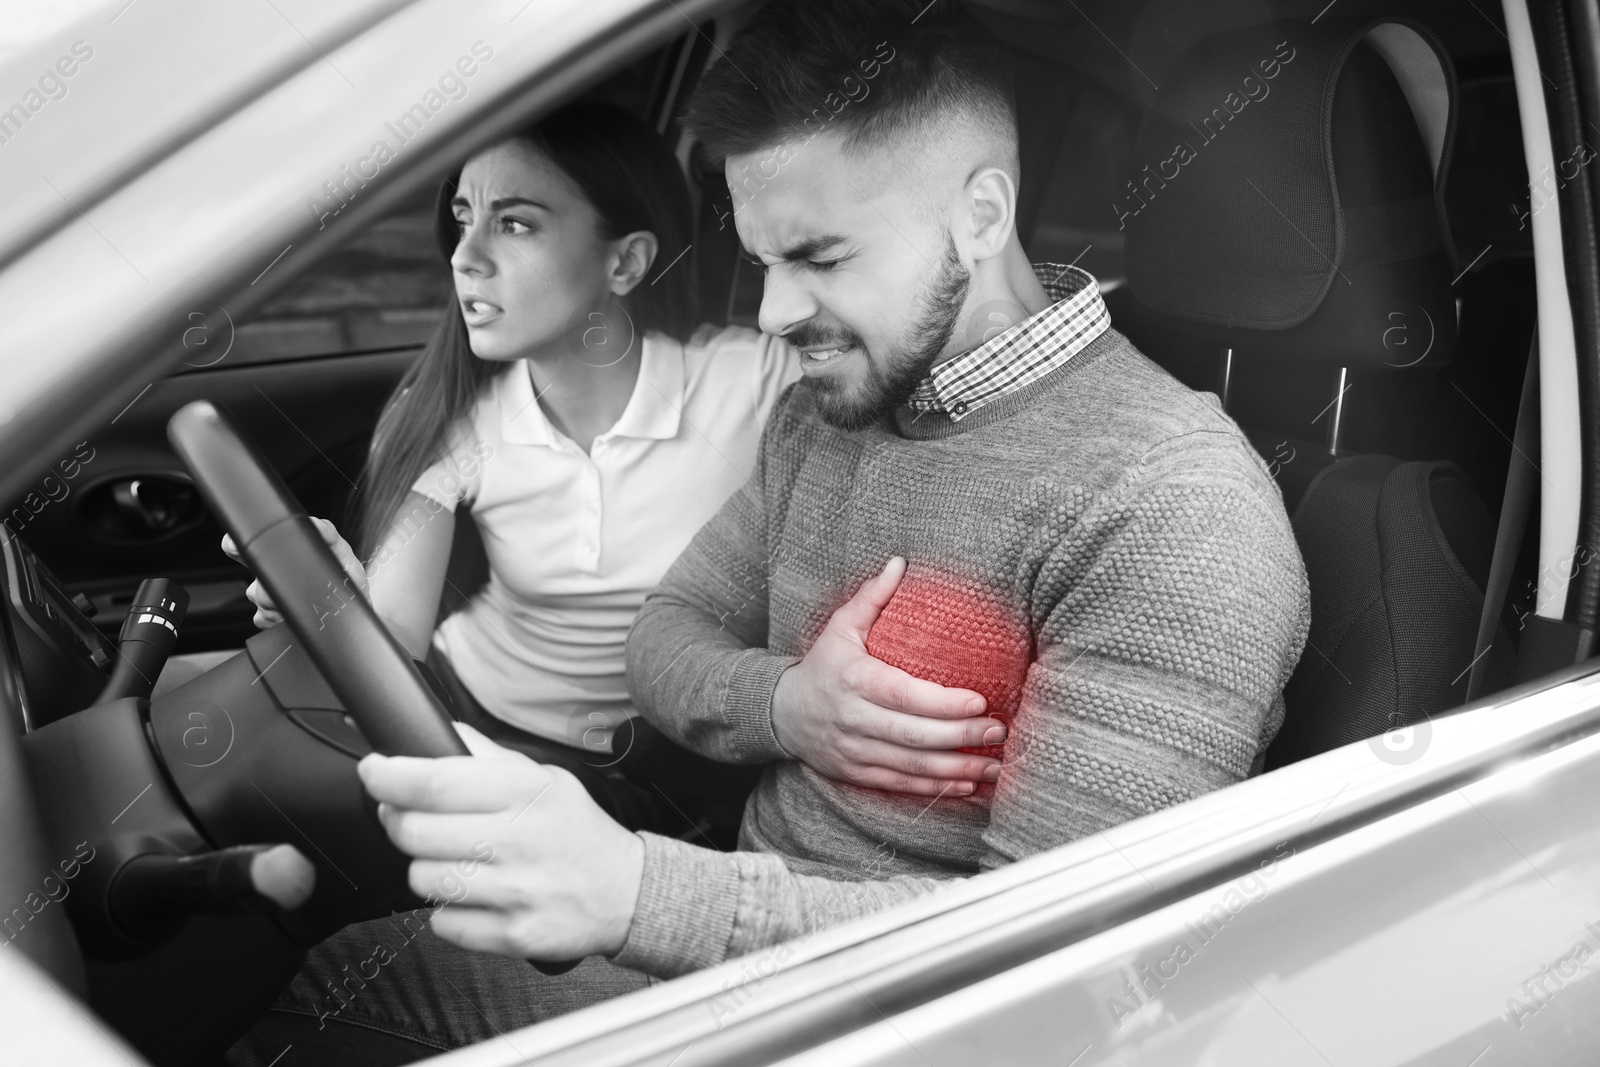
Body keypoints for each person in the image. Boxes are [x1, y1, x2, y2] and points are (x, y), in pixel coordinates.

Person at [229, 2, 1309, 1062]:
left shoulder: (1171, 506)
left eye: (820, 258)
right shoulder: (826, 413)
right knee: (315, 964)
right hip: (728, 937)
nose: (771, 314)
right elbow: (663, 641)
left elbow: (1054, 973)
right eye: (760, 261)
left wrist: (637, 891)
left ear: (981, 217)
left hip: (880, 1025)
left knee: (312, 1000)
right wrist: (786, 705)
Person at [226, 100, 799, 838]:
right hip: (470, 722)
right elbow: (394, 632)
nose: (466, 255)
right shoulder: (452, 411)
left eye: (515, 222)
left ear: (624, 262)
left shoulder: (751, 382)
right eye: (463, 218)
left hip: (668, 770)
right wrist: (329, 597)